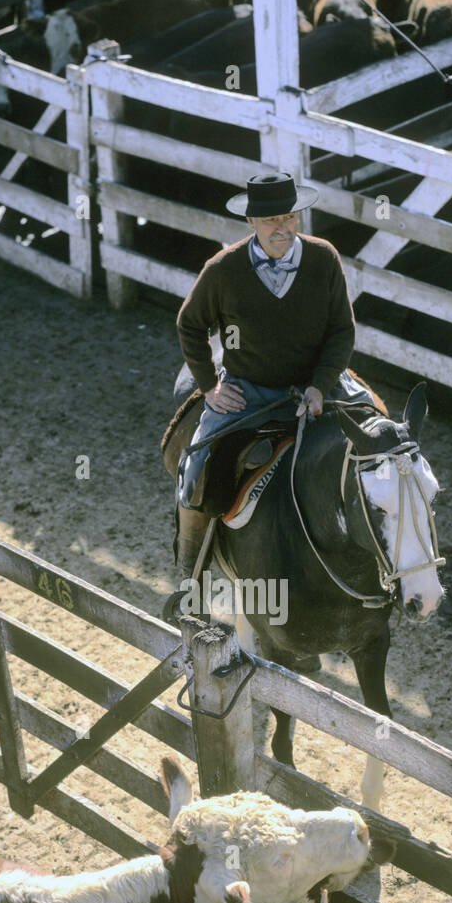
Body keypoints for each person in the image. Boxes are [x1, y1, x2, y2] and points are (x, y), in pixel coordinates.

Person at [168, 171, 361, 615]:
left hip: (316, 384)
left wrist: (321, 384)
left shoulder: (323, 258)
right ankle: (187, 580)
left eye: (291, 217)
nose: (284, 228)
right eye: (272, 219)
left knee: (383, 439)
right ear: (252, 220)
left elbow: (341, 330)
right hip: (249, 388)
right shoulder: (224, 269)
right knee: (196, 464)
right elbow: (190, 325)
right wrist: (209, 387)